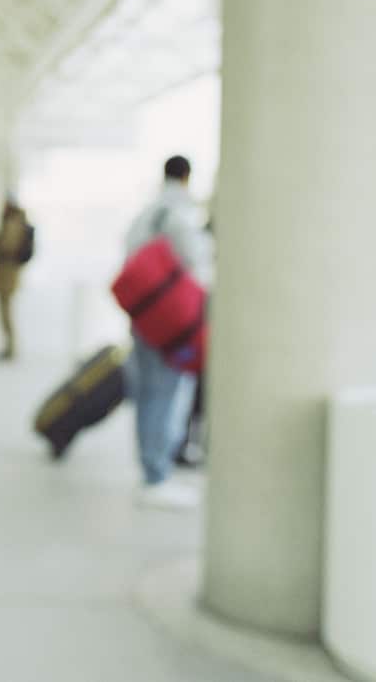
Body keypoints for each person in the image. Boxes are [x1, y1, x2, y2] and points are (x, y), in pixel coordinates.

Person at [123, 155, 212, 510]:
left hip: (143, 316)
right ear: (187, 177)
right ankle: (156, 474)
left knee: (146, 392)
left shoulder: (146, 212)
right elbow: (194, 262)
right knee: (165, 392)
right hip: (171, 321)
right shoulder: (181, 214)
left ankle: (149, 466)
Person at [0, 196, 32, 361]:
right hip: (8, 275)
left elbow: (8, 245)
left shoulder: (13, 223)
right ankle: (8, 346)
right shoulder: (15, 222)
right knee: (5, 312)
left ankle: (10, 348)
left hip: (7, 276)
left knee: (6, 313)